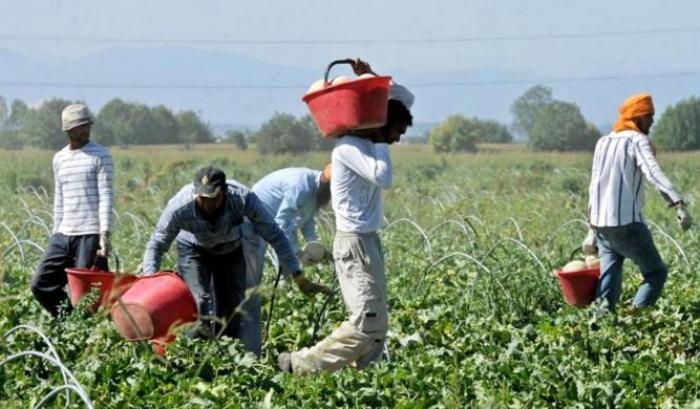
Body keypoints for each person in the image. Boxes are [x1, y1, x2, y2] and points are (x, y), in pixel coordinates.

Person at [278, 60, 414, 375]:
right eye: (396, 130)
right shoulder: (348, 148)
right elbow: (384, 177)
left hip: (368, 240)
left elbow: (405, 98)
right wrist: (380, 138)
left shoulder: (365, 144)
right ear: (383, 124)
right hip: (353, 243)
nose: (397, 138)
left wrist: (371, 79)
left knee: (377, 324)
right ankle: (301, 364)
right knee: (366, 321)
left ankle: (366, 380)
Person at [142, 166, 329, 345]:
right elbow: (157, 243)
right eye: (202, 198)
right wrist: (149, 282)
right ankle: (194, 357)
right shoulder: (181, 206)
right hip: (193, 250)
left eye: (212, 198)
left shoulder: (242, 198)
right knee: (200, 303)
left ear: (224, 192)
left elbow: (276, 235)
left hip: (230, 249)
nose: (207, 204)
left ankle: (226, 359)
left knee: (232, 311)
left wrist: (297, 276)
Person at [583, 93, 693, 311]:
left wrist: (591, 229)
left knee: (609, 279)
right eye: (647, 116)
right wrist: (678, 205)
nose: (652, 121)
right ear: (635, 118)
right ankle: (637, 319)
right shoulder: (637, 140)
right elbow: (653, 172)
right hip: (627, 224)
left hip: (603, 226)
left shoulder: (603, 142)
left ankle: (601, 326)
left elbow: (594, 185)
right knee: (655, 273)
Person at [239, 165, 333, 355]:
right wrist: (296, 254)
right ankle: (245, 345)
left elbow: (307, 221)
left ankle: (252, 341)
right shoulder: (301, 186)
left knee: (266, 279)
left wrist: (315, 248)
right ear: (326, 183)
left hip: (269, 224)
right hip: (252, 223)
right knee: (250, 283)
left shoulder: (316, 193)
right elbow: (280, 226)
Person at [31, 104, 114, 317]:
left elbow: (106, 196)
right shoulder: (59, 158)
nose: (84, 130)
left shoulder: (100, 155)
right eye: (79, 127)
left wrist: (104, 235)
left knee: (86, 294)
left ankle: (85, 332)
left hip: (89, 234)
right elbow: (59, 198)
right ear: (68, 130)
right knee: (41, 283)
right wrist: (55, 232)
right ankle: (68, 322)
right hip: (64, 233)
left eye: (87, 125)